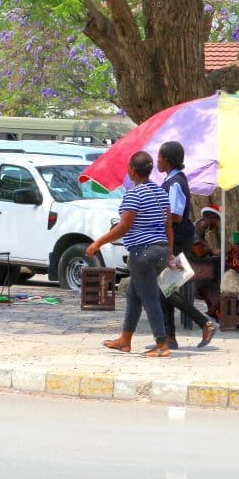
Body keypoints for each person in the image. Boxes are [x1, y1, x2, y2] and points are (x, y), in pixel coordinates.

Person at [86, 151, 174, 358]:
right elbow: (168, 225)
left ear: (132, 171)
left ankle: (162, 345)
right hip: (161, 249)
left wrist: (98, 242)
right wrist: (169, 251)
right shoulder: (161, 193)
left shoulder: (134, 194)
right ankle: (125, 340)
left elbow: (124, 227)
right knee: (134, 295)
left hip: (142, 253)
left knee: (150, 298)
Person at [156, 141, 216, 349]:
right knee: (166, 287)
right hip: (174, 238)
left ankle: (204, 323)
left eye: (160, 158)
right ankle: (169, 337)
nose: (157, 161)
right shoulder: (171, 181)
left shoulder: (174, 183)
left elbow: (175, 215)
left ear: (168, 160)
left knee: (165, 288)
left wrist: (153, 217)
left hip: (177, 239)